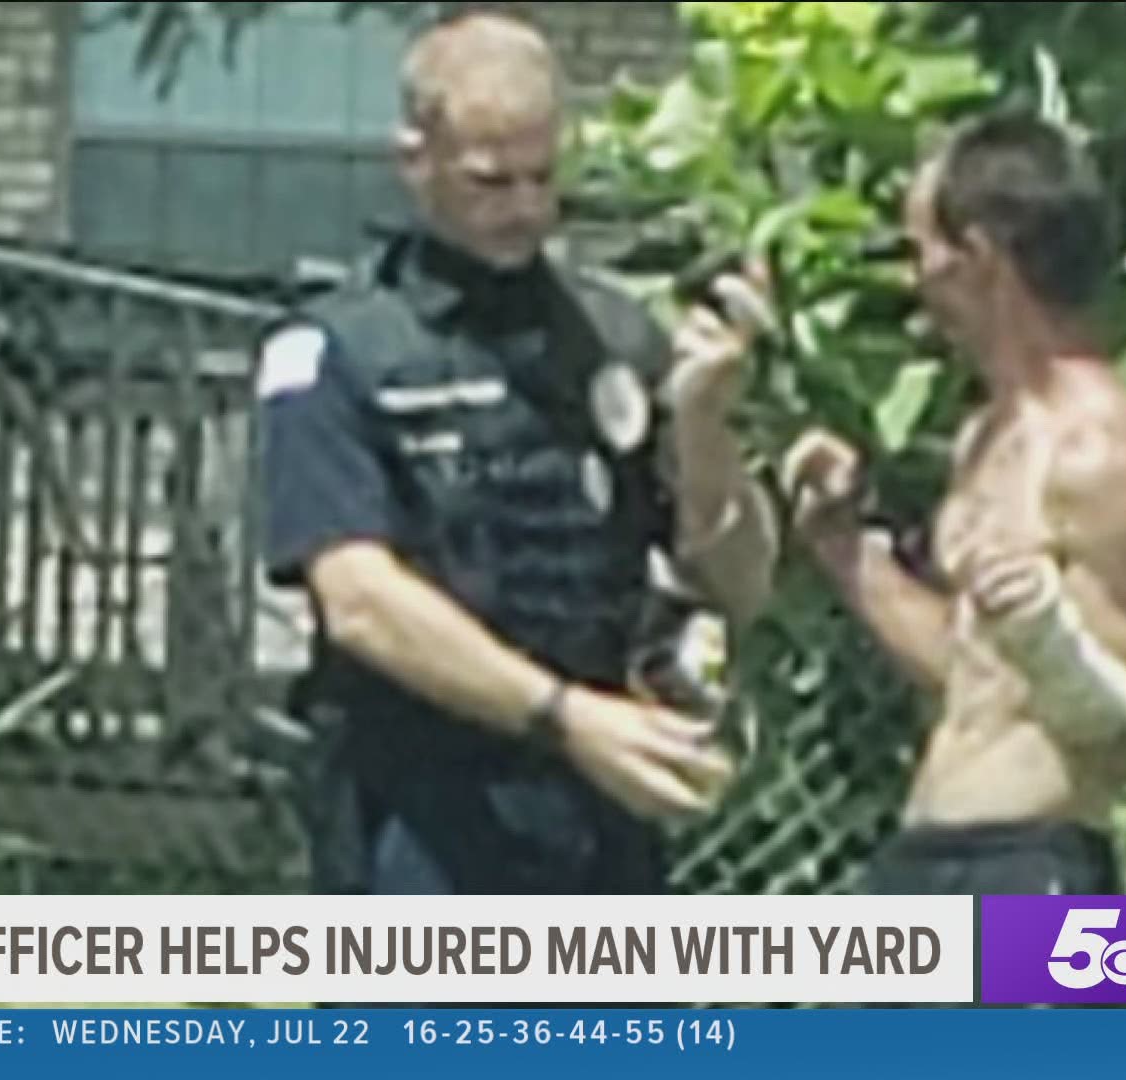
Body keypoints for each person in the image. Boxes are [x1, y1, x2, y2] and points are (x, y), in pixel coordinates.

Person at [258, 11, 778, 898]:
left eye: (543, 179)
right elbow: (359, 601)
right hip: (423, 806)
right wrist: (560, 717)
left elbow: (741, 580)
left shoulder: (611, 333)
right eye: (490, 183)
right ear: (415, 161)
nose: (525, 210)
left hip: (599, 799)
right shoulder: (337, 351)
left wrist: (702, 424)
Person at [780, 112, 1126, 896]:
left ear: (981, 258)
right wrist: (842, 546)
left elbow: (1120, 734)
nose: (915, 275)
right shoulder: (987, 435)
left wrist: (1045, 633)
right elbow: (972, 671)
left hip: (1033, 871)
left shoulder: (1101, 448)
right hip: (932, 858)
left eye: (924, 249)